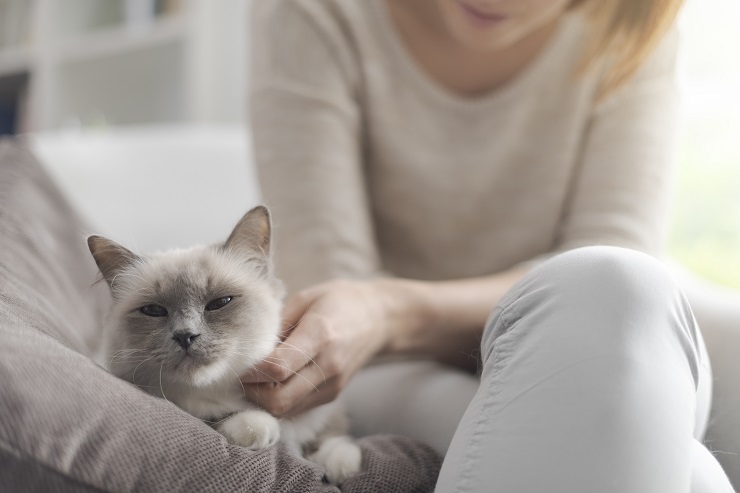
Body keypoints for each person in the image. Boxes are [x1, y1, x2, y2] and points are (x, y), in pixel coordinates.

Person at [243, 0, 739, 490]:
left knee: (620, 287)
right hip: (381, 363)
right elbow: (335, 293)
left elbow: (616, 249)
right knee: (693, 477)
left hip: (595, 331)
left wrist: (393, 310)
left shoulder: (629, 21)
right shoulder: (314, 13)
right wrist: (377, 315)